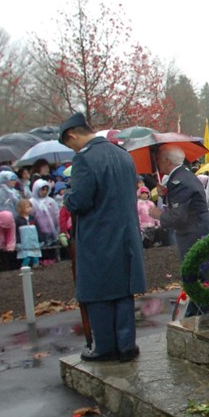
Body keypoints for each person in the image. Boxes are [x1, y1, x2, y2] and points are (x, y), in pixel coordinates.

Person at [60, 112, 146, 362]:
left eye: (69, 143)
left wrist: (67, 196)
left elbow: (80, 201)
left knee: (99, 292)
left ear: (73, 136)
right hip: (126, 235)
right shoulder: (123, 155)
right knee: (122, 291)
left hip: (99, 238)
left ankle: (106, 346)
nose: (72, 148)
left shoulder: (84, 160)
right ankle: (127, 345)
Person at [148, 144, 209, 317]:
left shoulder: (179, 181)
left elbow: (179, 216)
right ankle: (199, 310)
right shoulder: (182, 176)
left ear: (167, 161)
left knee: (195, 275)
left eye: (158, 159)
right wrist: (165, 194)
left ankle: (196, 313)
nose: (157, 163)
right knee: (199, 275)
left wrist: (159, 215)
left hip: (194, 235)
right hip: (196, 232)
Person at [30, 179, 61, 262]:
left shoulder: (51, 201)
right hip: (39, 229)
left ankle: (53, 259)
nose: (44, 192)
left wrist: (57, 225)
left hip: (52, 228)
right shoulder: (32, 202)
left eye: (46, 190)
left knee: (53, 245)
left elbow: (56, 214)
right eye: (42, 190)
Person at [14, 198, 41, 269]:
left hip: (34, 242)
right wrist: (18, 242)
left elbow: (38, 229)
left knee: (36, 257)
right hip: (24, 243)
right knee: (27, 257)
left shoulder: (33, 218)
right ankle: (24, 268)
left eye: (30, 207)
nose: (30, 209)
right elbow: (16, 232)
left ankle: (36, 268)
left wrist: (41, 240)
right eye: (27, 207)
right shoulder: (18, 220)